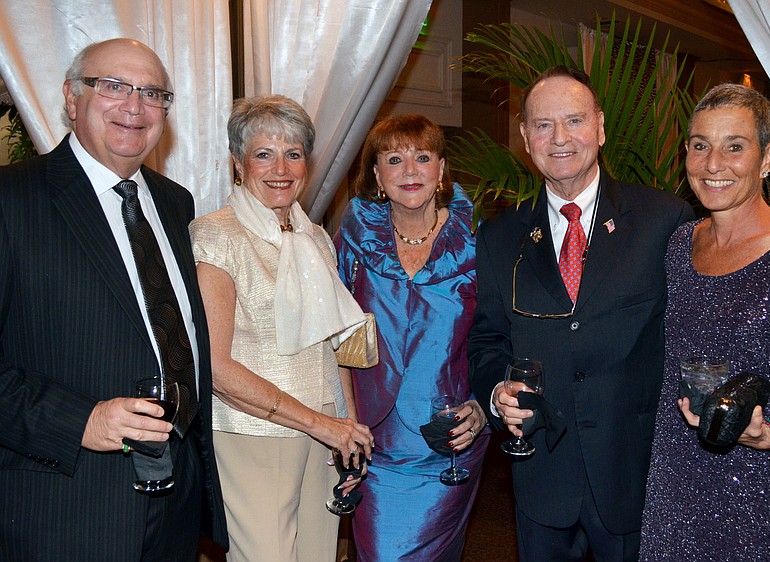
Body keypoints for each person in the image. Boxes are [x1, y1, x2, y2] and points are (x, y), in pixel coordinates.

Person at [0, 38, 228, 560]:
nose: (134, 106)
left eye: (152, 93)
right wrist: (81, 420)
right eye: (113, 86)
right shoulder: (12, 200)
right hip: (61, 509)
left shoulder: (174, 203)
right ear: (71, 97)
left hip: (173, 503)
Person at [467, 65, 694, 562]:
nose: (560, 138)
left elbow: (694, 333)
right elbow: (487, 341)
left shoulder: (664, 221)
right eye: (543, 125)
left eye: (574, 120)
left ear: (601, 127)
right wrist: (497, 387)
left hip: (634, 473)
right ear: (526, 138)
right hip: (541, 476)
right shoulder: (499, 237)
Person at [639, 84, 770, 561]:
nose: (713, 164)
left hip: (754, 493)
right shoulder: (678, 246)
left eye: (735, 146)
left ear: (768, 157)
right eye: (699, 145)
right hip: (671, 483)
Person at [190, 95, 374, 562]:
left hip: (324, 430)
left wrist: (345, 425)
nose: (281, 168)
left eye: (293, 154)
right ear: (238, 164)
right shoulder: (216, 234)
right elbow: (215, 366)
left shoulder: (314, 237)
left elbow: (333, 345)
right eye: (264, 154)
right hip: (254, 434)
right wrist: (322, 425)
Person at [334, 113, 489, 561]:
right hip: (374, 440)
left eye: (423, 157)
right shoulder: (356, 236)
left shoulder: (478, 238)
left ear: (441, 170)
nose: (410, 171)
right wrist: (344, 421)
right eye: (394, 159)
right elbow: (336, 337)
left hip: (450, 438)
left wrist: (482, 404)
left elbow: (498, 334)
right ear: (377, 174)